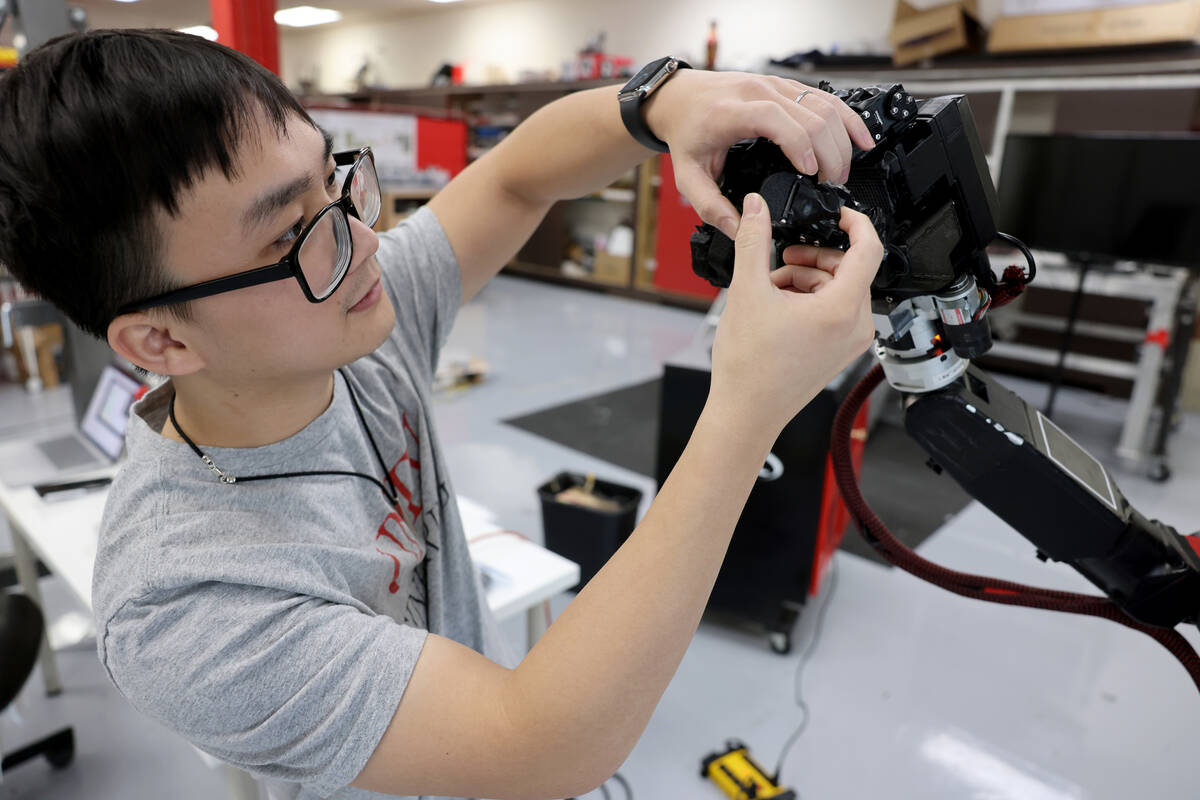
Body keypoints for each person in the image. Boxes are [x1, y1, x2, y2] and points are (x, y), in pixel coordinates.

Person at [0, 29, 882, 800]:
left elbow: (511, 178)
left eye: (334, 183)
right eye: (288, 234)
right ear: (159, 344)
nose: (367, 240)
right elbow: (541, 741)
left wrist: (660, 102)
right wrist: (748, 409)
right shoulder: (185, 608)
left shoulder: (345, 330)